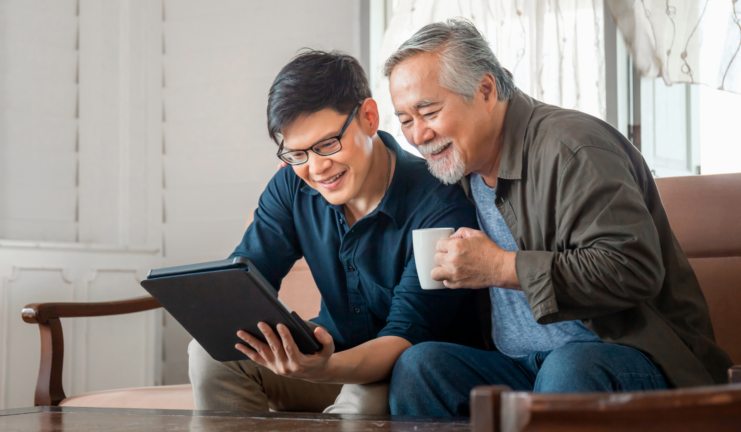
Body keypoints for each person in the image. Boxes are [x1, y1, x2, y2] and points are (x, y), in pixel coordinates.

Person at [382, 19, 733, 416]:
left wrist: (499, 266)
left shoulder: (574, 148)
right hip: (522, 368)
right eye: (405, 120)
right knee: (419, 368)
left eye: (428, 111)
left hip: (634, 359)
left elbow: (633, 267)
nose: (418, 135)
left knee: (568, 368)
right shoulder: (460, 170)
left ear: (484, 90)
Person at [188, 50, 481, 414]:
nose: (316, 168)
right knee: (209, 353)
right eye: (297, 154)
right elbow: (247, 279)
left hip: (400, 369)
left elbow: (406, 336)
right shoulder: (292, 186)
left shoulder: (440, 204)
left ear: (369, 118)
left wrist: (322, 368)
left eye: (327, 144)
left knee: (360, 403)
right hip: (327, 353)